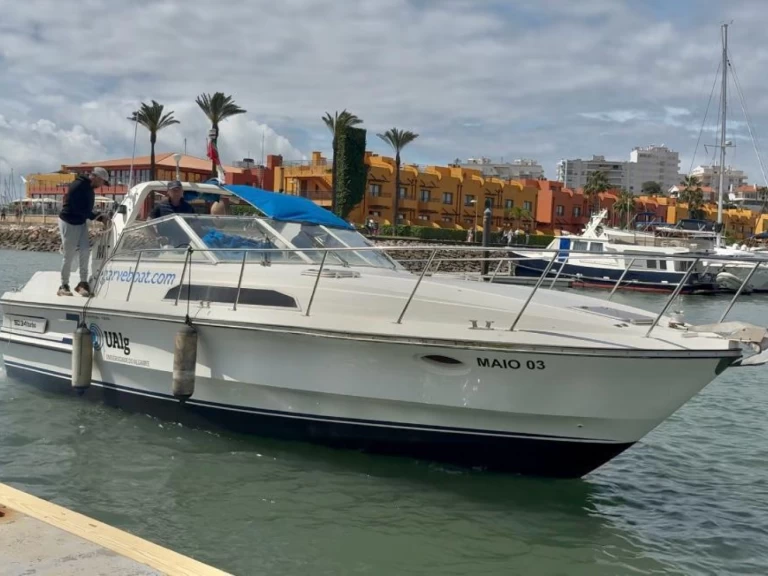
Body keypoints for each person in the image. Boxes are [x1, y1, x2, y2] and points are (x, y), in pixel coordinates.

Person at [57, 167, 110, 297]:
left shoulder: (89, 188)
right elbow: (77, 208)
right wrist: (97, 217)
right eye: (102, 182)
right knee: (68, 255)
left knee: (85, 252)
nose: (102, 185)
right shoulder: (78, 186)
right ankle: (63, 286)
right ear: (97, 177)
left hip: (80, 222)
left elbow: (85, 209)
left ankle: (82, 283)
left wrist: (98, 216)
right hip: (69, 222)